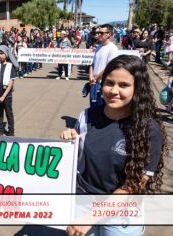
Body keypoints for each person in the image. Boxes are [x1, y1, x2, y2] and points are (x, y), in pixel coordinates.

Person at [61, 55, 167, 236]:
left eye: (124, 85)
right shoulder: (86, 116)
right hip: (83, 204)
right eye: (109, 83)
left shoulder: (149, 129)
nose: (114, 90)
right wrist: (70, 140)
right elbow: (75, 162)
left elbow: (134, 185)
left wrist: (91, 218)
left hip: (121, 216)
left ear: (138, 89)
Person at [89, 24, 118, 108]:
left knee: (102, 109)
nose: (98, 35)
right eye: (98, 32)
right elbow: (92, 64)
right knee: (93, 107)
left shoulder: (112, 49)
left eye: (101, 33)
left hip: (103, 84)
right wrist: (90, 76)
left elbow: (109, 68)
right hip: (94, 82)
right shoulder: (99, 47)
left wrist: (96, 78)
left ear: (109, 34)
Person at [0, 45, 17, 136]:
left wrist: (3, 96)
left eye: (2, 53)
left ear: (6, 54)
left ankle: (11, 131)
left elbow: (11, 83)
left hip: (6, 94)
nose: (0, 56)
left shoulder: (11, 66)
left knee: (8, 113)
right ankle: (0, 130)